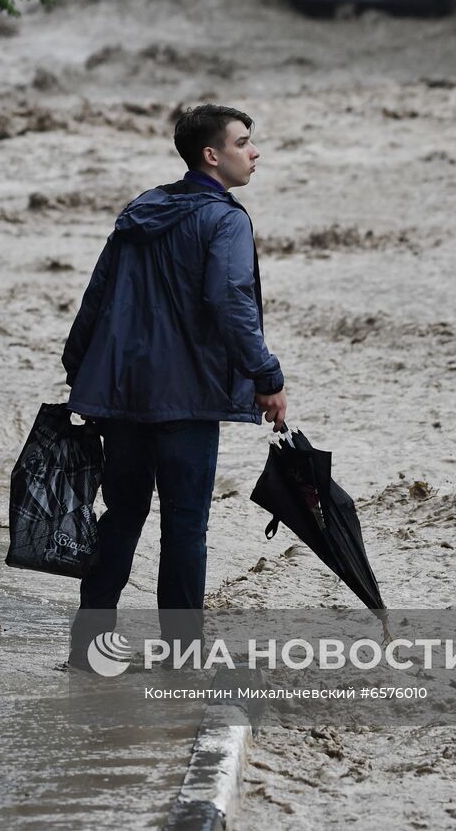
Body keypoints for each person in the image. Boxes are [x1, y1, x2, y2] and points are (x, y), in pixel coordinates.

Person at [62, 104, 287, 666]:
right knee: (185, 525)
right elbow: (230, 301)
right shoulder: (227, 220)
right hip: (186, 399)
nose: (254, 152)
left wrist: (80, 370)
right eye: (243, 143)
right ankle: (182, 653)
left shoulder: (142, 209)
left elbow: (97, 295)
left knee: (121, 515)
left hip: (123, 394)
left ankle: (89, 646)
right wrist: (267, 375)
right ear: (212, 156)